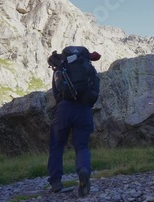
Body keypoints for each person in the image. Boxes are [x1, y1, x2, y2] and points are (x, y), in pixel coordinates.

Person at [46, 47, 101, 197]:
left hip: (64, 109)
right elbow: (95, 89)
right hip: (84, 110)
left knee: (56, 146)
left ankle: (56, 182)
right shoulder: (89, 68)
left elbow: (56, 92)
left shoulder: (61, 68)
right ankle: (83, 171)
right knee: (82, 146)